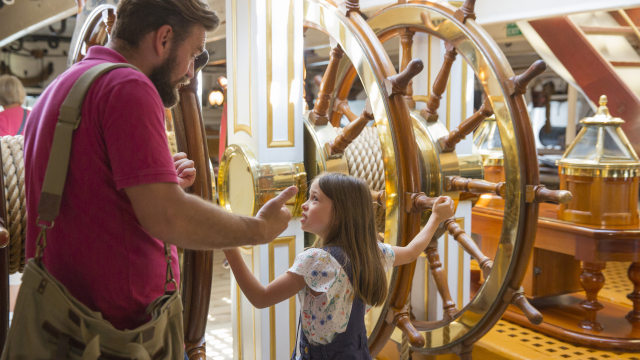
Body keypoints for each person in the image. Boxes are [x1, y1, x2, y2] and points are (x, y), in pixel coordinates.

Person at [23, 0, 297, 334]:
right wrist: (258, 230)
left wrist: (157, 181)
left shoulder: (60, 89)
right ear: (164, 39)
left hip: (63, 323)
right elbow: (169, 217)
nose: (191, 71)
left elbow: (84, 194)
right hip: (117, 335)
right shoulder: (128, 87)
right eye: (194, 53)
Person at [224, 172, 455, 359]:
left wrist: (229, 245)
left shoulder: (315, 260)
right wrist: (435, 218)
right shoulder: (372, 252)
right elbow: (413, 252)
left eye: (315, 199)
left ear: (341, 213)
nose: (304, 205)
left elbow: (261, 297)